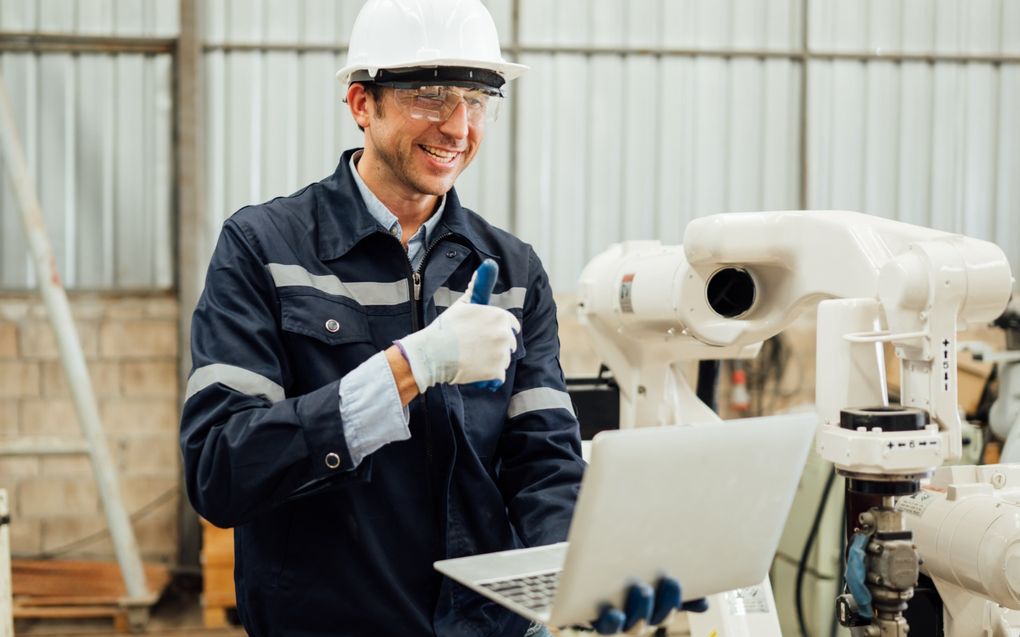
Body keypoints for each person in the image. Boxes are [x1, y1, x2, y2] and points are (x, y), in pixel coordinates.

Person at [180, 1, 701, 635]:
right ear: (361, 104)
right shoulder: (266, 249)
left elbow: (544, 463)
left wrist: (586, 571)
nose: (458, 125)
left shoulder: (511, 270)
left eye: (478, 100)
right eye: (430, 96)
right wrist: (410, 367)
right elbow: (221, 470)